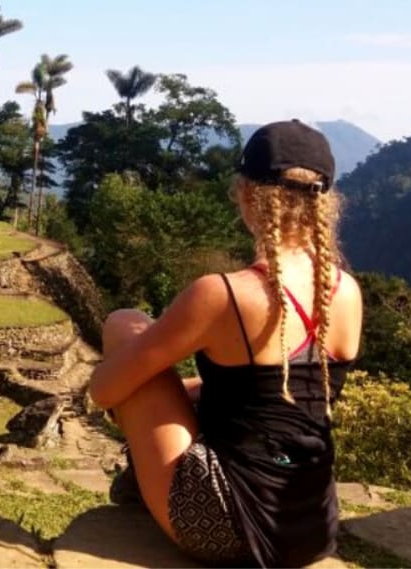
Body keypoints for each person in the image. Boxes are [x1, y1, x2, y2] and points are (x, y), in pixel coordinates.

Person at [88, 120, 363, 568]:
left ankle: (142, 473)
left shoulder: (224, 294)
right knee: (184, 382)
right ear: (326, 203)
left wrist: (152, 387)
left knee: (125, 324)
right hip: (310, 528)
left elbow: (103, 390)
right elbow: (276, 401)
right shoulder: (346, 292)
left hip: (223, 524)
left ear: (247, 194)